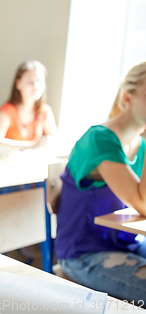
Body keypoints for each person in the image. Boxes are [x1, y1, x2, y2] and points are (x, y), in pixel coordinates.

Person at [55, 62, 146, 302]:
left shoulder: (142, 145)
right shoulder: (99, 139)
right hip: (84, 253)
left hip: (127, 244)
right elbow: (142, 202)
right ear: (127, 98)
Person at [0, 60, 58, 147]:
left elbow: (55, 139)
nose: (35, 86)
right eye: (30, 81)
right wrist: (31, 145)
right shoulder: (7, 111)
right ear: (18, 84)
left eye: (39, 81)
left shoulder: (44, 111)